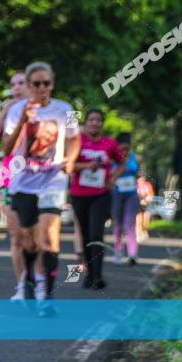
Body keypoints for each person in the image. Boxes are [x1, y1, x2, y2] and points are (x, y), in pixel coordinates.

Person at [3, 62, 81, 317]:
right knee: (28, 240)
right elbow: (6, 148)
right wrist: (24, 120)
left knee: (48, 237)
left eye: (46, 83)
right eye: (36, 84)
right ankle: (25, 281)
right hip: (23, 182)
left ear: (52, 84)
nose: (42, 88)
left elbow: (74, 138)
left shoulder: (66, 110)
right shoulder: (16, 110)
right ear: (28, 86)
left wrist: (70, 158)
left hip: (53, 180)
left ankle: (47, 296)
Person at [0, 71, 34, 300]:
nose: (17, 88)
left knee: (38, 237)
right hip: (12, 180)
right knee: (17, 236)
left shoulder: (46, 110)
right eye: (13, 84)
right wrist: (5, 110)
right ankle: (23, 285)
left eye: (22, 83)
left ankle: (39, 283)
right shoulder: (9, 112)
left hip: (40, 180)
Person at [69, 110, 125, 289]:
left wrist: (113, 179)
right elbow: (68, 164)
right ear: (85, 123)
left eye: (98, 120)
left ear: (102, 123)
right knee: (85, 235)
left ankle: (98, 275)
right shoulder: (77, 141)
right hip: (79, 195)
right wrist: (87, 165)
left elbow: (123, 162)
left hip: (101, 195)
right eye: (91, 120)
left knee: (96, 233)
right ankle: (89, 274)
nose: (95, 123)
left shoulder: (109, 143)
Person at [112, 133, 140, 265]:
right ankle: (117, 250)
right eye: (122, 149)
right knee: (117, 224)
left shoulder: (133, 156)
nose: (124, 151)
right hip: (116, 193)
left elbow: (136, 169)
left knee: (130, 224)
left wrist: (126, 163)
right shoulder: (112, 157)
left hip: (131, 194)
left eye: (126, 149)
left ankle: (132, 253)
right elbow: (110, 172)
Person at [137, 169, 155, 242]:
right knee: (138, 219)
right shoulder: (135, 185)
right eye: (139, 177)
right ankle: (138, 234)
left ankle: (144, 231)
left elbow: (151, 194)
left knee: (145, 220)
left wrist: (147, 199)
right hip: (137, 204)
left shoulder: (147, 185)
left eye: (142, 177)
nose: (141, 179)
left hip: (146, 204)